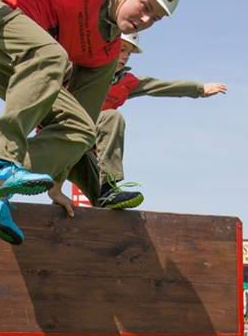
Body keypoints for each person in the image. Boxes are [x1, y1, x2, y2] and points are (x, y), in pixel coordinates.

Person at [0, 0, 182, 244]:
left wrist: (55, 185)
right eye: (145, 7)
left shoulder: (107, 53)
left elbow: (78, 123)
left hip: (7, 63)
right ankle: (0, 158)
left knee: (81, 128)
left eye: (154, 19)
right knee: (54, 56)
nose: (145, 20)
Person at [64, 33, 227, 209]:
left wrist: (199, 89)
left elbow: (159, 86)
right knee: (111, 117)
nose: (126, 56)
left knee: (101, 198)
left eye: (129, 53)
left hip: (84, 151)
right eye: (122, 49)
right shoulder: (83, 68)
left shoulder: (125, 82)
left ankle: (107, 191)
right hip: (62, 135)